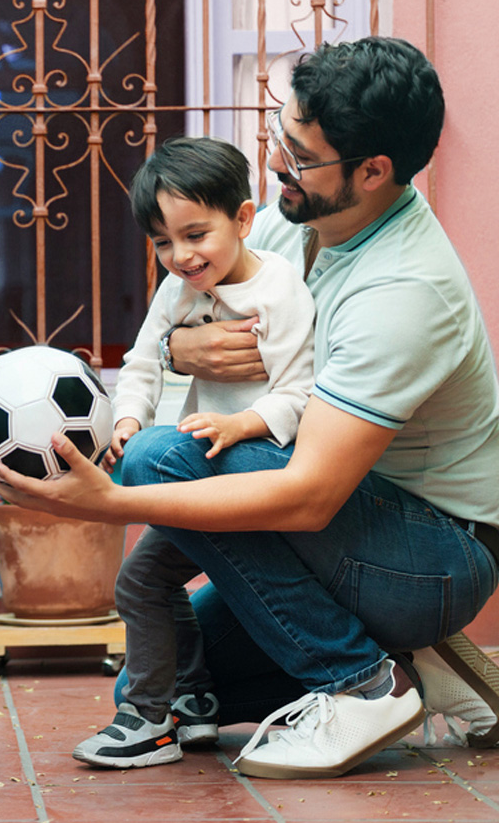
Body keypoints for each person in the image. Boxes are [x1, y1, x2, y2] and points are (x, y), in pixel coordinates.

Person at [0, 36, 499, 780]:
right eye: (279, 136)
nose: (275, 165)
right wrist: (180, 350)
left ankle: (364, 684)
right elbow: (181, 325)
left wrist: (107, 501)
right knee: (173, 683)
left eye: (300, 156)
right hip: (344, 536)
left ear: (373, 172)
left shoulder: (404, 290)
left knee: (154, 457)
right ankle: (414, 664)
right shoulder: (280, 225)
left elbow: (307, 494)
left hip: (430, 553)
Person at [73, 136, 316, 769]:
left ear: (242, 218)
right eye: (162, 242)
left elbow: (302, 393)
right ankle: (193, 702)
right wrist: (128, 419)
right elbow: (141, 363)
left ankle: (151, 719)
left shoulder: (280, 291)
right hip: (203, 467)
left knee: (146, 582)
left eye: (195, 234)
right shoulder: (179, 292)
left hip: (261, 474)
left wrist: (242, 427)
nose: (180, 256)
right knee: (148, 582)